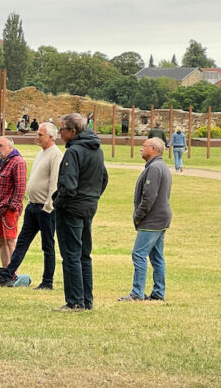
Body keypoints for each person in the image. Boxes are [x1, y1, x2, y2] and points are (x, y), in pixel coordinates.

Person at [0, 122, 62, 289]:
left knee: (47, 245)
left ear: (51, 137)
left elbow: (54, 184)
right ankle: (7, 275)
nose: (36, 137)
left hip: (45, 209)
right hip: (32, 206)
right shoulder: (41, 153)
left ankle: (47, 282)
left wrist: (48, 207)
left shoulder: (56, 155)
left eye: (40, 135)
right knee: (22, 243)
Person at [53, 113, 108, 312]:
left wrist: (58, 202)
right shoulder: (97, 150)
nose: (59, 133)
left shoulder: (73, 152)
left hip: (72, 209)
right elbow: (104, 179)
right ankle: (86, 300)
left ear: (73, 131)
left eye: (62, 129)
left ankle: (75, 301)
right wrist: (92, 197)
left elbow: (68, 186)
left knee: (71, 255)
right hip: (88, 207)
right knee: (84, 255)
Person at [119, 138, 172, 302]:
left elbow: (148, 197)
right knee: (156, 257)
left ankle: (137, 293)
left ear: (154, 148)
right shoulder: (160, 166)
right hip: (160, 218)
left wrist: (138, 215)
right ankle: (158, 292)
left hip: (152, 219)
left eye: (144, 146)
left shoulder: (155, 168)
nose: (141, 149)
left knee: (139, 254)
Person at [0, 136, 26, 268]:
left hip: (9, 209)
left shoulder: (17, 162)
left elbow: (20, 187)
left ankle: (13, 273)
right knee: (1, 241)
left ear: (10, 147)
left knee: (10, 241)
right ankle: (5, 270)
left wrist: (13, 207)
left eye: (0, 146)